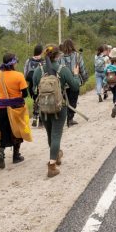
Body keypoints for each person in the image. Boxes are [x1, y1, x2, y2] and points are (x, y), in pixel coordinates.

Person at [32, 45, 80, 177]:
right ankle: (52, 165)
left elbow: (34, 89)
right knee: (56, 135)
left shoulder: (38, 70)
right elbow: (75, 87)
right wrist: (75, 75)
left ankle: (56, 155)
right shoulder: (62, 70)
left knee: (50, 135)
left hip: (43, 108)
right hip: (60, 107)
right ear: (58, 56)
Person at [0, 53, 28, 169]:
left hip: (2, 108)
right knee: (16, 131)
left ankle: (1, 151)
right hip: (16, 107)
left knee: (3, 131)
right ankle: (16, 155)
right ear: (13, 63)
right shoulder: (19, 75)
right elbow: (25, 94)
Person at [58, 39, 87, 127]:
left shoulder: (59, 58)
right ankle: (70, 118)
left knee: (66, 101)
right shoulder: (77, 56)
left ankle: (66, 117)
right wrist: (84, 78)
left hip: (64, 83)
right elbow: (82, 68)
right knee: (73, 101)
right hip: (75, 81)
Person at [23, 44, 44, 127]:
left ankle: (35, 116)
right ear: (41, 51)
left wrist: (27, 82)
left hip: (32, 83)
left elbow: (25, 72)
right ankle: (41, 121)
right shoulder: (43, 60)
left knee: (35, 99)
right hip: (41, 83)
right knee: (41, 100)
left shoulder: (28, 60)